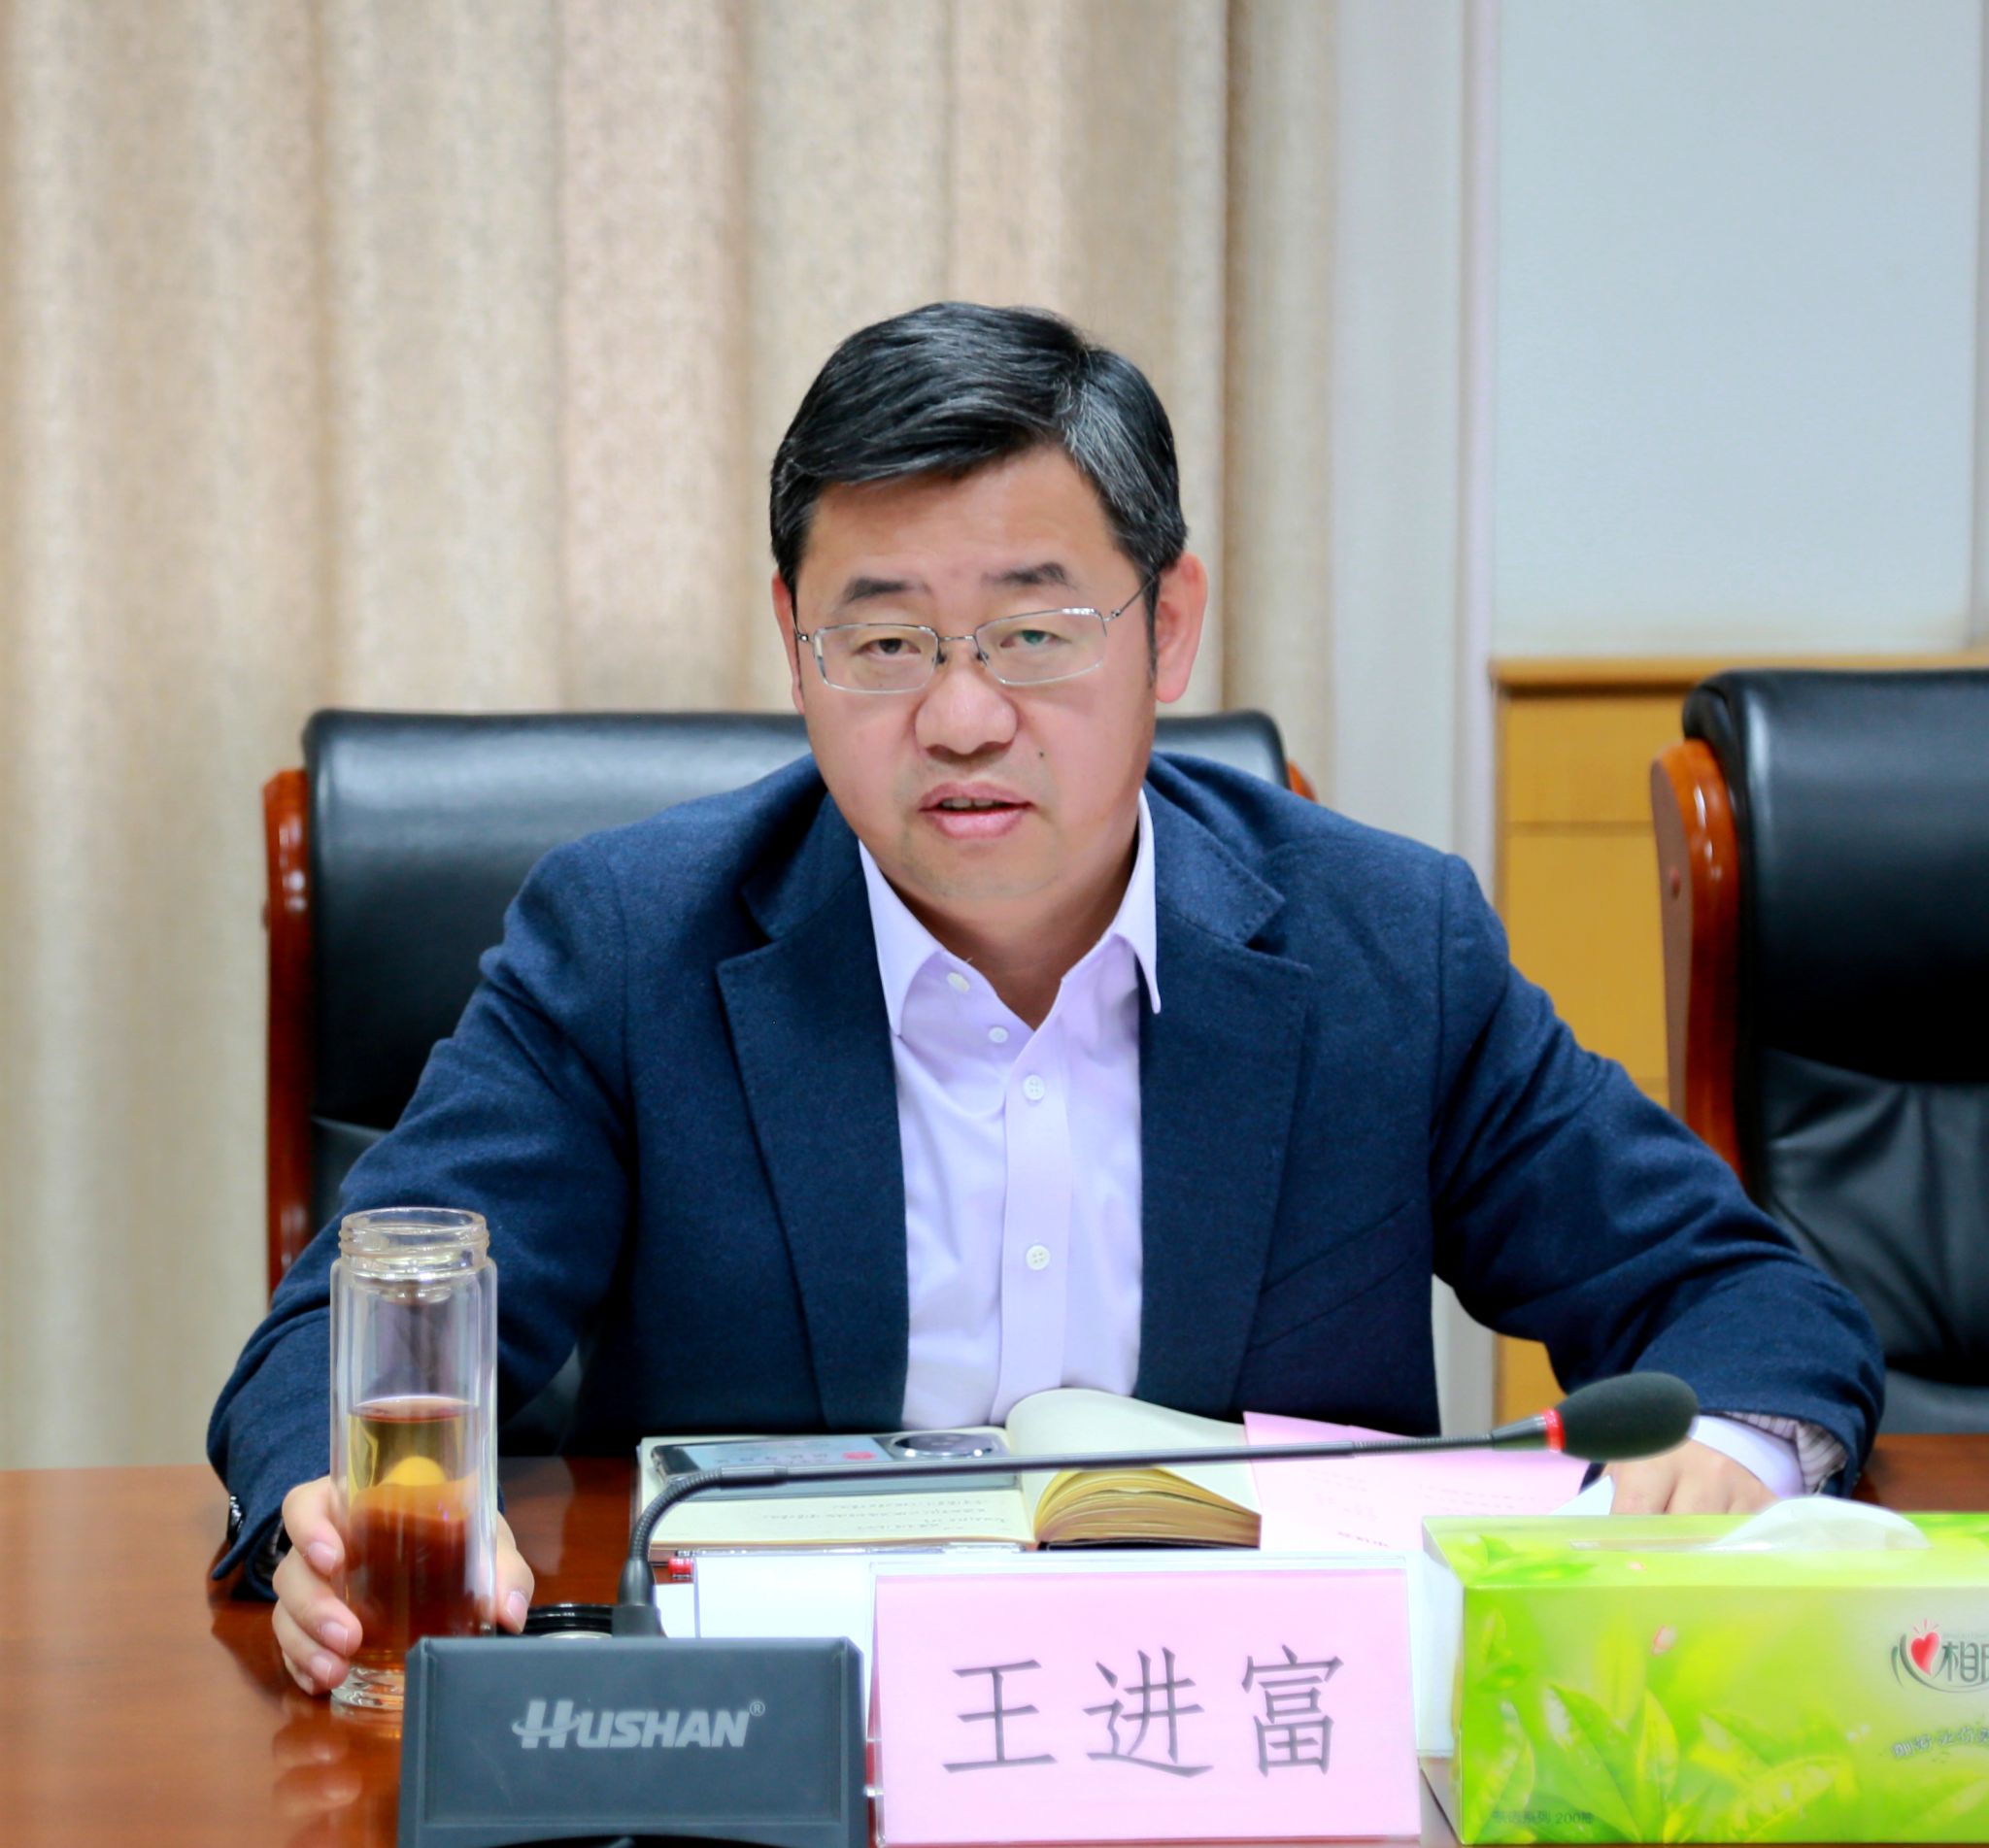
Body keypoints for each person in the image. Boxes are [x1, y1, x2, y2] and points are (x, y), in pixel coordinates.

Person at [210, 302, 1883, 1699]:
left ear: (1170, 629)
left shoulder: (1385, 947)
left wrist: (1729, 1459)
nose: (960, 719)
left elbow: (1738, 1300)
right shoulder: (632, 945)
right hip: (791, 1745)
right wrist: (335, 1520)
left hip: (1252, 1734)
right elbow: (331, 1350)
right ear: (794, 644)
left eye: (1032, 634)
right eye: (884, 645)